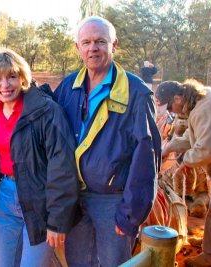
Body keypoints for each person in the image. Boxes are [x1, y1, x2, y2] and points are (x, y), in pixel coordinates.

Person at [53, 16, 161, 266]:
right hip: (74, 200)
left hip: (113, 204)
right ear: (77, 47)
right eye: (87, 42)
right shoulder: (68, 87)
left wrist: (130, 214)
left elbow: (146, 157)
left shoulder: (136, 92)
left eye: (101, 41)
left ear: (115, 45)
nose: (93, 48)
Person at [0, 48, 80, 267]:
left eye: (12, 77)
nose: (5, 85)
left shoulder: (47, 111)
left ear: (23, 78)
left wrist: (56, 220)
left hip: (40, 200)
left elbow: (62, 166)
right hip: (4, 197)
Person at [157, 80, 211, 267]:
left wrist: (185, 162)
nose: (172, 111)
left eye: (170, 106)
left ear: (178, 98)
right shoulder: (200, 100)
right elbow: (190, 137)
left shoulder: (203, 109)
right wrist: (166, 149)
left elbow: (206, 150)